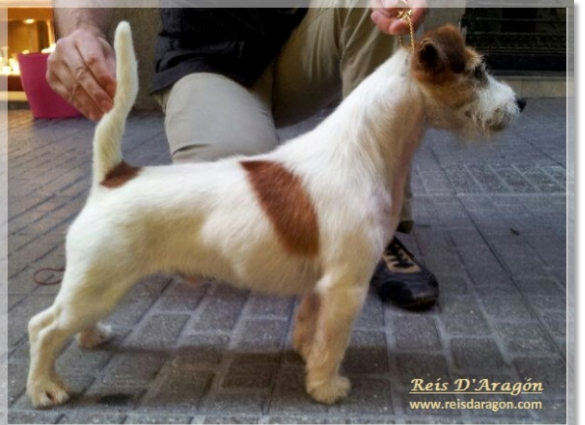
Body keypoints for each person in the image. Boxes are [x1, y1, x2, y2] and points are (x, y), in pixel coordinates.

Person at [47, 0, 439, 310]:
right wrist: (82, 28)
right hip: (206, 57)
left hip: (301, 39)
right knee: (240, 207)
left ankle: (376, 226)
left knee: (378, 6)